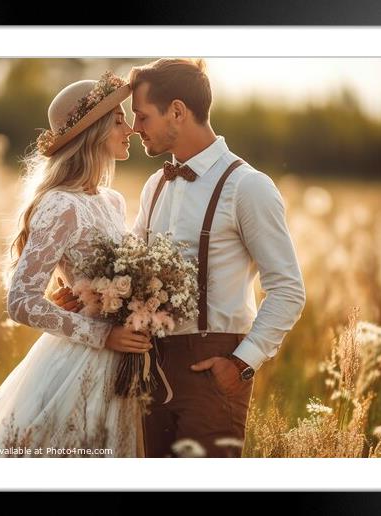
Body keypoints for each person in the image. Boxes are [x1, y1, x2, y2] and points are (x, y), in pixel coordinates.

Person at [53, 58, 306, 458]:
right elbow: (130, 270)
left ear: (177, 111)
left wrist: (241, 364)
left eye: (141, 115)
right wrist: (87, 297)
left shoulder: (248, 186)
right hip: (146, 366)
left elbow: (288, 290)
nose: (134, 128)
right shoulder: (155, 185)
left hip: (214, 366)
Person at [0, 71, 150, 458]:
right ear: (96, 129)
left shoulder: (113, 202)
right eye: (119, 120)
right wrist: (103, 335)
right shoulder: (60, 204)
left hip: (124, 365)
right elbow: (20, 301)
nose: (131, 129)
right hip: (81, 363)